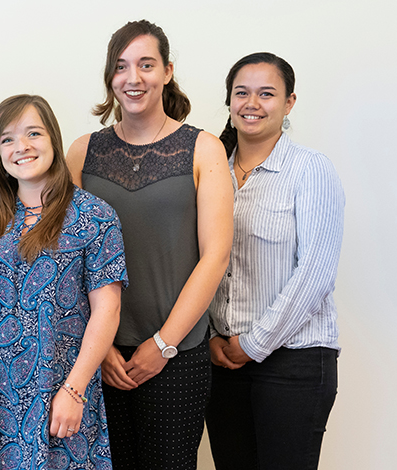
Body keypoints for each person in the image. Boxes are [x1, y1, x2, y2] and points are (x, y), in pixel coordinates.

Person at [66, 19, 234, 469]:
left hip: (177, 353)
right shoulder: (82, 152)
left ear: (167, 71)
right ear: (110, 77)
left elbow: (215, 256)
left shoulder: (203, 148)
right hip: (98, 355)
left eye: (145, 65)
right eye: (121, 67)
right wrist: (95, 352)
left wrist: (163, 344)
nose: (133, 78)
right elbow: (65, 261)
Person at [0, 94, 128, 469]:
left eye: (32, 133)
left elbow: (108, 309)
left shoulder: (94, 216)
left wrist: (75, 389)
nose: (21, 147)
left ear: (52, 137)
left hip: (63, 392)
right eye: (7, 139)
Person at [204, 52, 344, 470]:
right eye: (241, 93)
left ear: (289, 102)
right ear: (228, 102)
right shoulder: (211, 174)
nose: (252, 103)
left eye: (267, 93)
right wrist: (211, 335)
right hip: (223, 360)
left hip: (293, 361)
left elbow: (315, 274)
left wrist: (253, 343)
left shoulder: (310, 170)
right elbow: (206, 263)